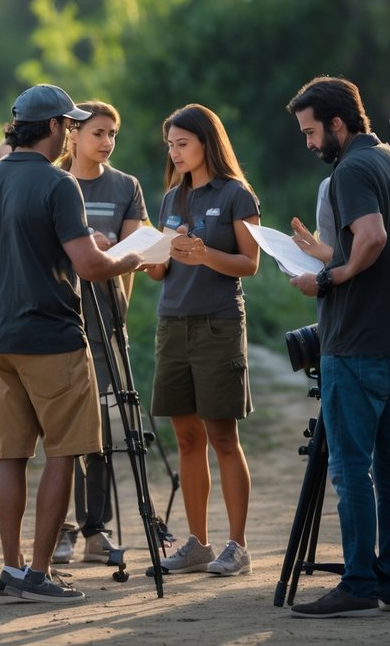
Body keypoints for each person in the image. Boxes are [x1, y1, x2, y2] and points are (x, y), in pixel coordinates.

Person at [0, 84, 144, 603]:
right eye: (70, 125)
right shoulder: (59, 183)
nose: (71, 134)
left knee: (9, 457)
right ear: (53, 126)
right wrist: (131, 257)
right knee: (64, 452)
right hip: (53, 339)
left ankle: (11, 567)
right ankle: (38, 572)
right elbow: (90, 266)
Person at [286, 76, 390, 618]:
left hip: (355, 341)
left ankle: (359, 584)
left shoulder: (350, 170)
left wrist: (327, 278)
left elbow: (373, 237)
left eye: (310, 132)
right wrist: (336, 254)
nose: (308, 143)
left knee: (351, 470)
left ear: (337, 124)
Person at [141, 104, 260, 579]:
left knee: (222, 437)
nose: (174, 152)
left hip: (218, 325)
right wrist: (150, 257)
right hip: (172, 324)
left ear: (206, 142)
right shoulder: (172, 198)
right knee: (187, 439)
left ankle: (238, 546)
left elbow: (250, 263)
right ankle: (197, 545)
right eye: (170, 145)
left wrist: (205, 254)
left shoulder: (236, 194)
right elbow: (159, 271)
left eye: (182, 143)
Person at [51, 100, 147, 565]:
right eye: (98, 133)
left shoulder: (126, 186)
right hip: (59, 320)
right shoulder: (51, 180)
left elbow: (135, 253)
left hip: (107, 323)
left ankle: (95, 530)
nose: (107, 141)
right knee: (63, 430)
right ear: (72, 134)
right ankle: (60, 530)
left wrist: (111, 253)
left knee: (104, 430)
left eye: (113, 133)